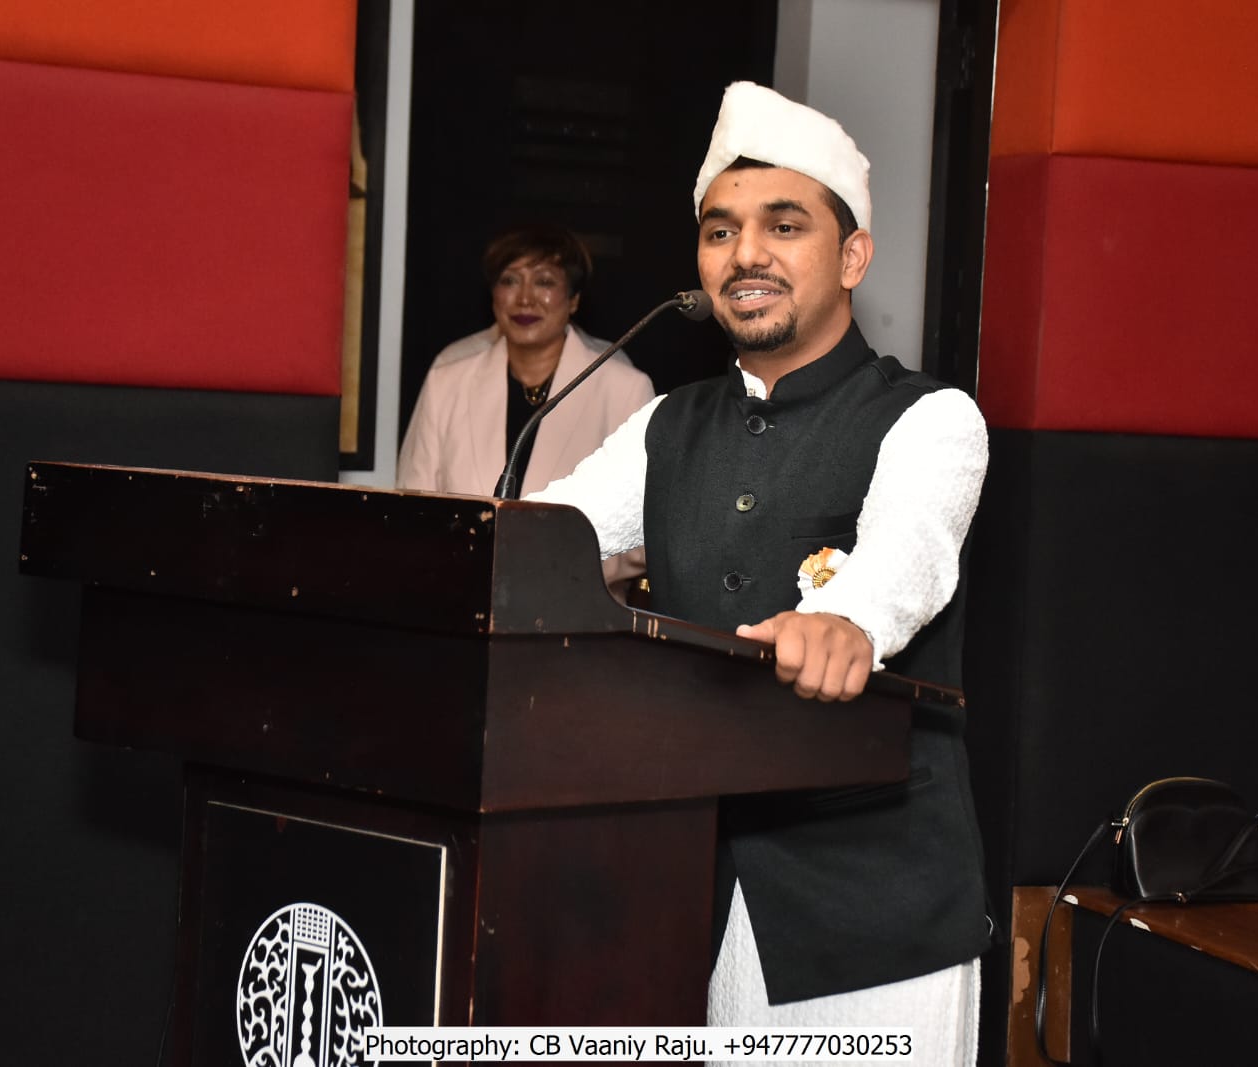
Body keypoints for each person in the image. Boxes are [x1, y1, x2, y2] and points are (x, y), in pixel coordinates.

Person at [530, 82, 990, 1062]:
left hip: (872, 921)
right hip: (684, 897)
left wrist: (848, 619)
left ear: (852, 255)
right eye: (720, 231)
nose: (746, 254)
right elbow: (543, 534)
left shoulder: (931, 419)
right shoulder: (666, 425)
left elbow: (907, 553)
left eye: (784, 225)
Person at [396, 223, 652, 593]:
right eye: (510, 280)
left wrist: (536, 567)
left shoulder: (624, 388)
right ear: (493, 296)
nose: (525, 298)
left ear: (574, 299)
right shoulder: (447, 380)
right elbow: (413, 507)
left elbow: (640, 536)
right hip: (460, 599)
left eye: (544, 282)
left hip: (575, 609)